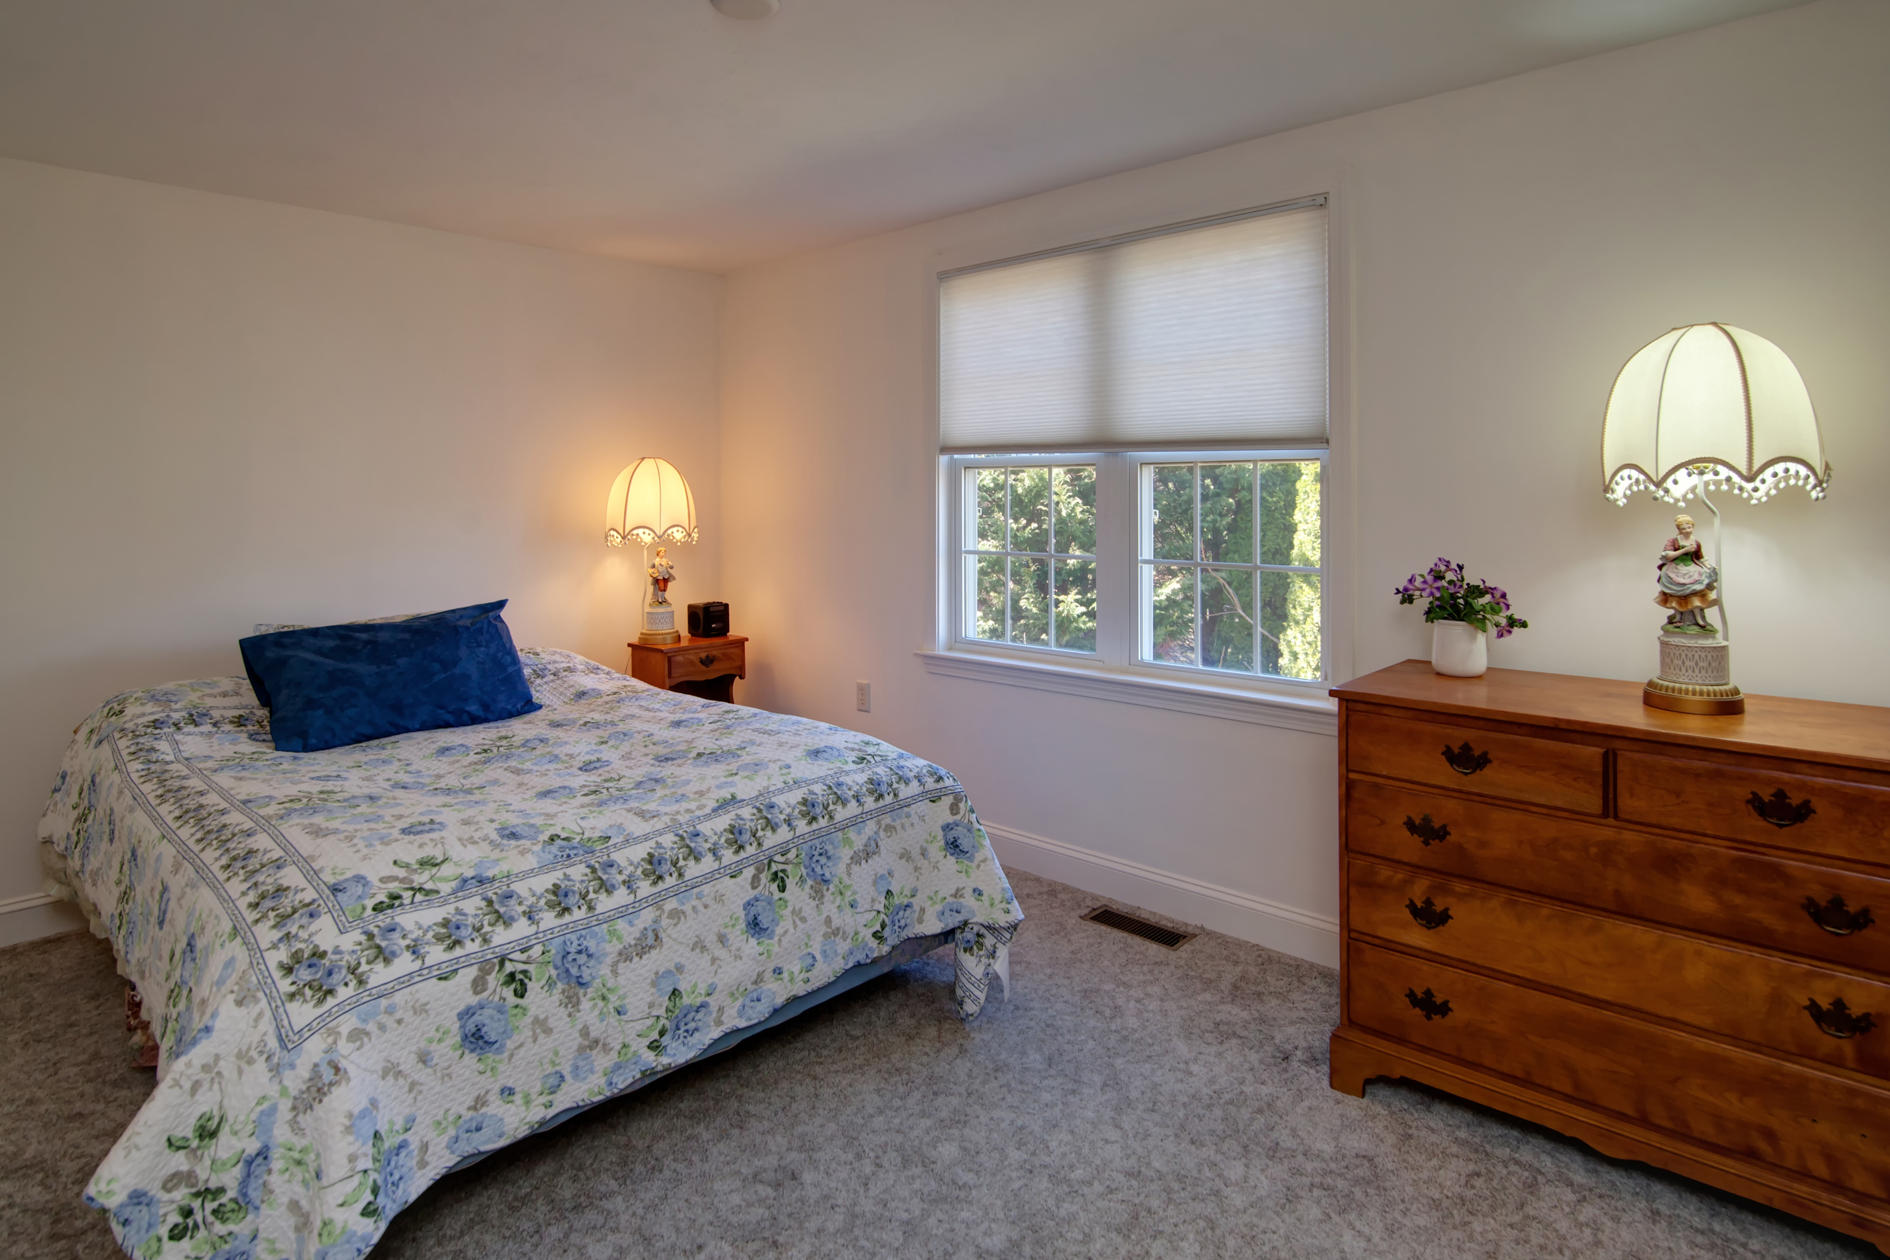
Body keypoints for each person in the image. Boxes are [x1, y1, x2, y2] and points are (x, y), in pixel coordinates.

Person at [1655, 514, 1718, 634]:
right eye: (1683, 528)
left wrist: (1709, 567)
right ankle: (1678, 616)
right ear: (1679, 530)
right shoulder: (1673, 541)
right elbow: (1667, 556)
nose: (1687, 530)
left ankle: (1698, 617)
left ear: (1692, 527)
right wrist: (1684, 550)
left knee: (1695, 591)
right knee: (1674, 593)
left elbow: (1700, 558)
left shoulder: (1696, 542)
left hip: (1691, 569)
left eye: (1689, 527)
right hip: (1676, 568)